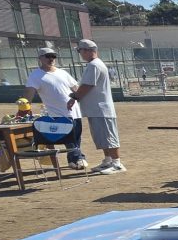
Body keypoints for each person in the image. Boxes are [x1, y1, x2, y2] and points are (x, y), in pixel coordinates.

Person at [67, 39, 125, 174]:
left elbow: (87, 85)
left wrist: (74, 97)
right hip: (96, 109)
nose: (80, 54)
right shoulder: (94, 65)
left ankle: (117, 163)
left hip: (101, 109)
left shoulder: (94, 65)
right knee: (102, 137)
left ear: (87, 51)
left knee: (109, 136)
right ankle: (108, 160)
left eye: (80, 50)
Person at [23, 47, 87, 169]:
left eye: (53, 56)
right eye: (48, 56)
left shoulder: (63, 73)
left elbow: (76, 89)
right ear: (40, 58)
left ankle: (72, 161)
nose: (51, 59)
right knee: (70, 138)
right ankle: (78, 158)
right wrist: (24, 107)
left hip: (75, 111)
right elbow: (28, 93)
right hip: (57, 113)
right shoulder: (35, 75)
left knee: (76, 137)